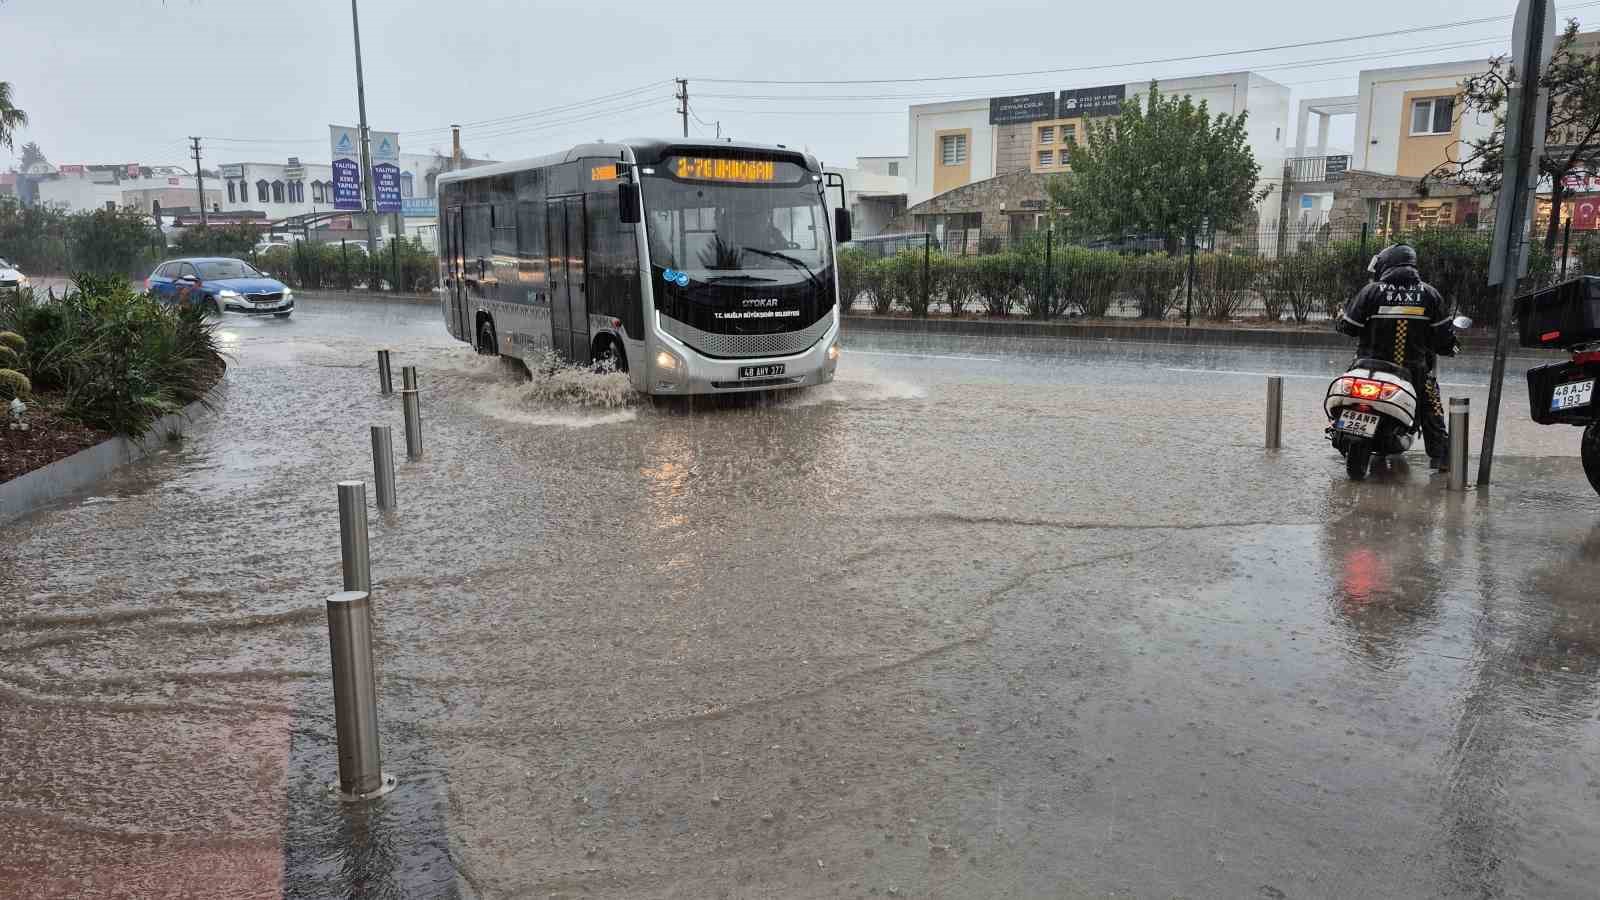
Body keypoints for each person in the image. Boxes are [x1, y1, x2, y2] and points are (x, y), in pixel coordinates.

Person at [1335, 243, 1458, 471]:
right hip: (1413, 371)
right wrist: (1451, 346)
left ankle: (1341, 431)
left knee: (1346, 389)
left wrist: (1340, 317)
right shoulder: (1429, 294)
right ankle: (1442, 457)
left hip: (1368, 367)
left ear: (1387, 264)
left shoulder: (1371, 291)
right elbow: (1444, 337)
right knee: (1431, 404)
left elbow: (1350, 327)